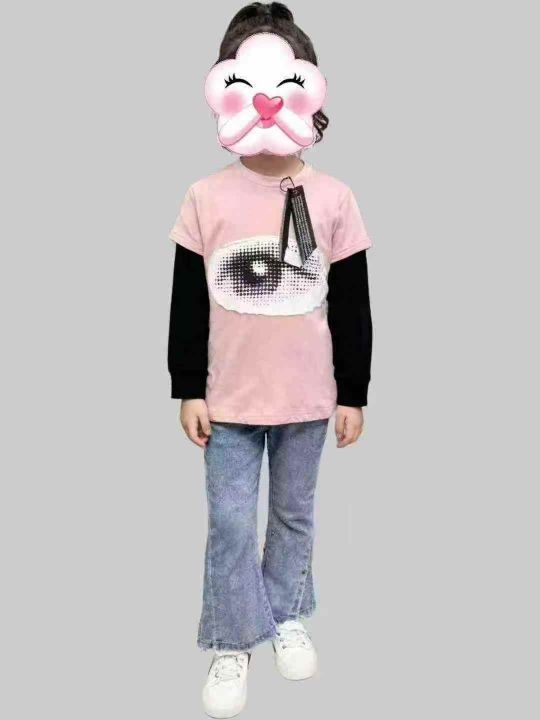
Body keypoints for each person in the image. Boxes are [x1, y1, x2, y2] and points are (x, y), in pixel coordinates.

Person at [167, 3, 373, 717]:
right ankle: (232, 638)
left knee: (293, 515)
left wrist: (354, 392)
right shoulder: (204, 197)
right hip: (227, 400)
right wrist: (187, 386)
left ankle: (286, 615)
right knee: (229, 523)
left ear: (307, 90)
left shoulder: (335, 198)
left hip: (306, 398)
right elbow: (186, 302)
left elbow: (353, 304)